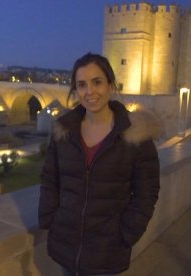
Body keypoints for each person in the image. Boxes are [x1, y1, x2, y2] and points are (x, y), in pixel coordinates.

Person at [38, 53, 161, 276]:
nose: (90, 92)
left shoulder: (135, 135)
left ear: (110, 85)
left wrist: (127, 233)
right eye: (81, 85)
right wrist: (50, 219)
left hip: (107, 251)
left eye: (97, 82)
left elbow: (147, 191)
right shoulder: (63, 132)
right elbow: (50, 178)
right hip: (66, 244)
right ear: (75, 91)